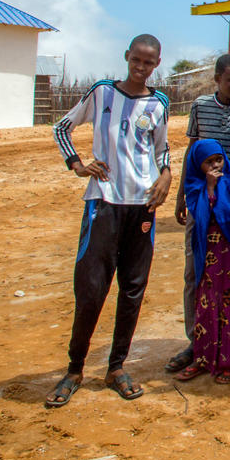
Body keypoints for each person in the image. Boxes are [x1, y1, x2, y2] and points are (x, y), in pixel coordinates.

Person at [46, 34, 171, 408]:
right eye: (136, 59)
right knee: (91, 288)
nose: (141, 67)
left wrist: (165, 177)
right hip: (103, 202)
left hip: (142, 207)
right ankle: (74, 369)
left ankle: (116, 367)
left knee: (132, 289)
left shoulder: (158, 102)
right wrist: (78, 165)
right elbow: (61, 128)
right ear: (126, 56)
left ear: (156, 64)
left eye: (149, 63)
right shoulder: (102, 93)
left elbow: (162, 149)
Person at [167, 54, 230, 376]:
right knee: (194, 273)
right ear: (216, 79)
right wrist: (182, 195)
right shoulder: (199, 107)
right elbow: (191, 152)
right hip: (201, 204)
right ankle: (197, 342)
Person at [175, 140, 230, 384]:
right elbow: (199, 214)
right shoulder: (196, 188)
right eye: (209, 162)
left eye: (218, 160)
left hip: (228, 257)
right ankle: (203, 358)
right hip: (206, 258)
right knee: (206, 305)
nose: (215, 165)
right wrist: (209, 188)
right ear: (199, 165)